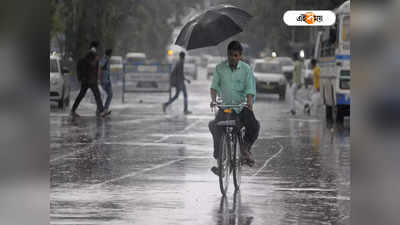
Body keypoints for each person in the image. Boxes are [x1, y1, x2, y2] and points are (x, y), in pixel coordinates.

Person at [208, 40, 260, 174]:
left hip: (241, 108)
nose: (233, 58)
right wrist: (214, 100)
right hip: (225, 108)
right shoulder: (220, 68)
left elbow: (249, 88)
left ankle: (245, 149)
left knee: (254, 126)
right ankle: (220, 159)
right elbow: (214, 87)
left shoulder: (246, 69)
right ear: (227, 54)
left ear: (240, 56)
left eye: (236, 55)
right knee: (214, 126)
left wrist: (249, 102)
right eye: (230, 55)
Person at [70, 45, 106, 118]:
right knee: (96, 96)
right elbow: (90, 67)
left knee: (84, 96)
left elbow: (95, 70)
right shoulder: (88, 60)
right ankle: (101, 112)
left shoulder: (86, 59)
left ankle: (73, 110)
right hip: (89, 81)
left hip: (88, 81)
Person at [99, 49, 113, 114]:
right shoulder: (104, 59)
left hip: (107, 81)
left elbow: (108, 71)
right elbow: (100, 66)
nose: (111, 55)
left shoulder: (108, 60)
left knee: (110, 94)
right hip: (102, 81)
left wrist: (109, 80)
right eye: (110, 54)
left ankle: (105, 109)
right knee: (101, 96)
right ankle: (99, 110)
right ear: (109, 54)